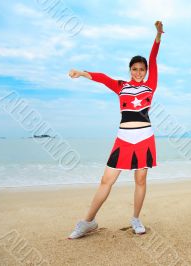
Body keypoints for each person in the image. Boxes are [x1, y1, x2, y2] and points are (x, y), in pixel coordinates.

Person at [67, 21, 164, 239]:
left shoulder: (151, 85)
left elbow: (154, 56)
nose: (139, 72)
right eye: (135, 69)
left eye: (142, 69)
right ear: (130, 70)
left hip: (145, 138)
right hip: (123, 139)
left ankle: (136, 218)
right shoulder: (121, 86)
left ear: (146, 71)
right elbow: (103, 78)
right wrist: (82, 73)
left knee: (140, 180)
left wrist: (158, 35)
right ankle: (87, 222)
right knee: (106, 180)